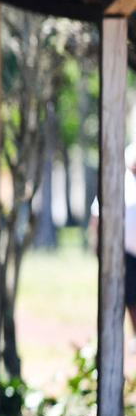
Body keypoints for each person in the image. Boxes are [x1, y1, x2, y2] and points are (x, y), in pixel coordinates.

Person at [88, 143, 136, 336]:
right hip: (123, 255)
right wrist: (97, 244)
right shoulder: (119, 183)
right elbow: (97, 216)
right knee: (123, 299)